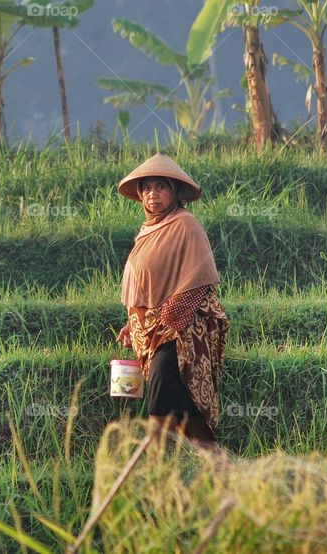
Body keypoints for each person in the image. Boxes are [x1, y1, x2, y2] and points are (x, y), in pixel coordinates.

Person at [115, 153, 230, 455]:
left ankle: (153, 477)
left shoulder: (186, 225)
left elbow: (198, 280)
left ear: (175, 191)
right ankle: (223, 477)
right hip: (153, 333)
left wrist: (165, 322)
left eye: (161, 187)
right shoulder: (147, 231)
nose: (153, 194)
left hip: (179, 332)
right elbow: (149, 285)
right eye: (148, 188)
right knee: (193, 426)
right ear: (140, 194)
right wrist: (135, 325)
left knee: (158, 412)